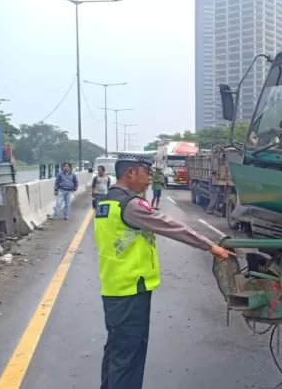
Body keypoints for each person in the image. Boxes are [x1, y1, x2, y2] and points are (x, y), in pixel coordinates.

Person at [94, 152, 234, 389]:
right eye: (146, 173)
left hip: (114, 287)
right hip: (131, 289)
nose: (149, 179)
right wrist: (211, 246)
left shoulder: (107, 201)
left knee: (117, 351)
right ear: (131, 173)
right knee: (129, 357)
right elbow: (172, 227)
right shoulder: (132, 205)